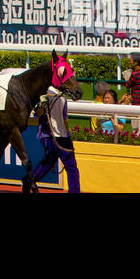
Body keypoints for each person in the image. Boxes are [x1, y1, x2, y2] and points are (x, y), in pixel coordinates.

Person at [31, 54, 80, 192]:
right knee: (71, 167)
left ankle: (29, 180)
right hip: (55, 136)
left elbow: (63, 118)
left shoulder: (59, 94)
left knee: (48, 162)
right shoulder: (48, 93)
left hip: (51, 137)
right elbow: (40, 113)